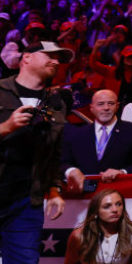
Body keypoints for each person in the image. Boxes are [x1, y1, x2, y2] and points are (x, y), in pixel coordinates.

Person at [0, 41, 69, 264]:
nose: (56, 61)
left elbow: (54, 153)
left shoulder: (56, 103)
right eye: (49, 55)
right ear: (26, 58)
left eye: (59, 58)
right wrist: (6, 127)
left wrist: (55, 189)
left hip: (26, 201)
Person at [61, 89, 132, 192]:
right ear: (92, 108)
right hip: (85, 196)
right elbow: (63, 162)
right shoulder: (76, 134)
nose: (106, 108)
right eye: (100, 104)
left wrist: (122, 172)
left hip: (121, 193)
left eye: (111, 103)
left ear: (117, 106)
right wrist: (71, 171)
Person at [63, 189, 132, 264]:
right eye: (107, 206)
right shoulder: (79, 236)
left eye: (118, 204)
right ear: (96, 211)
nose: (115, 210)